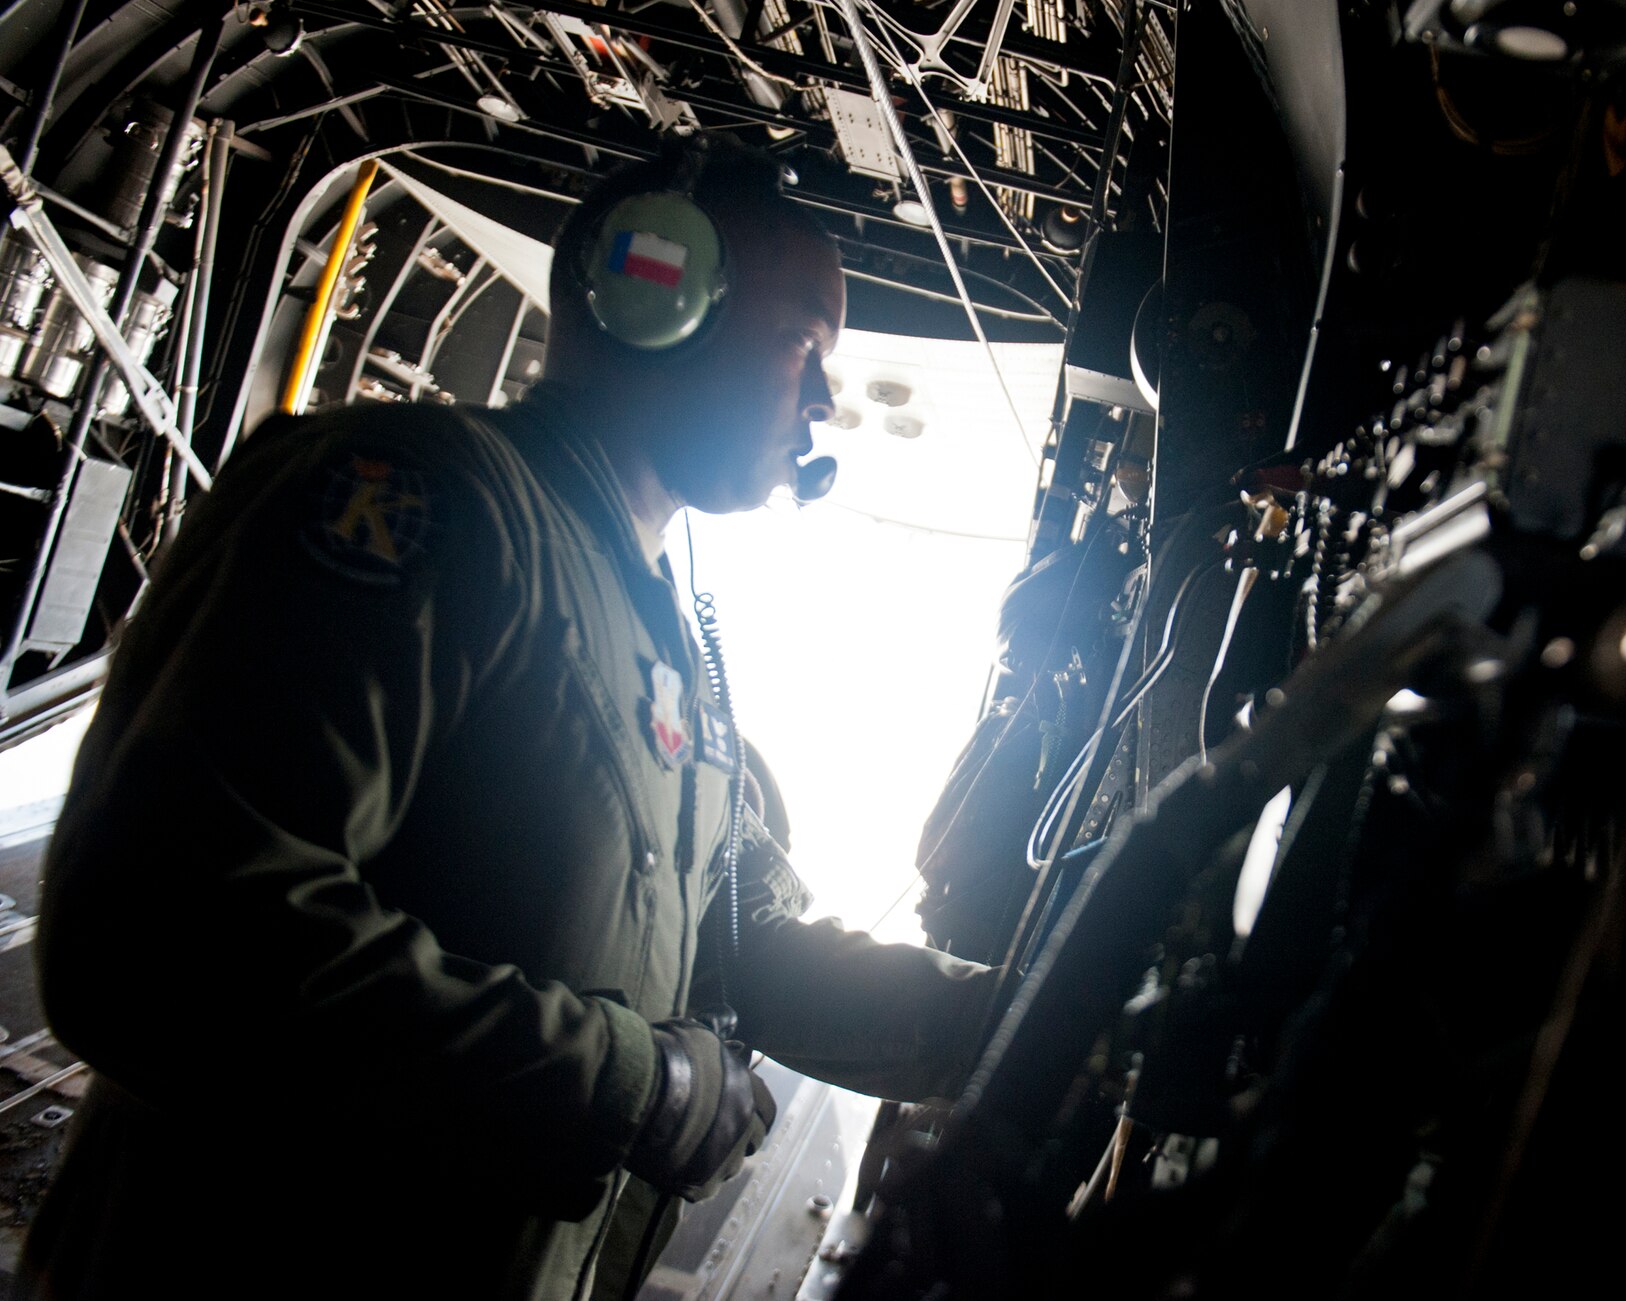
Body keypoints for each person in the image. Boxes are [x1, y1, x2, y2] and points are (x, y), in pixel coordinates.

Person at [20, 136, 994, 1299]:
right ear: (655, 301)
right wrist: (641, 1087)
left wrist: (1024, 1005)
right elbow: (161, 935)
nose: (825, 399)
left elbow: (756, 949)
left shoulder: (671, 660)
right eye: (803, 343)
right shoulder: (419, 498)